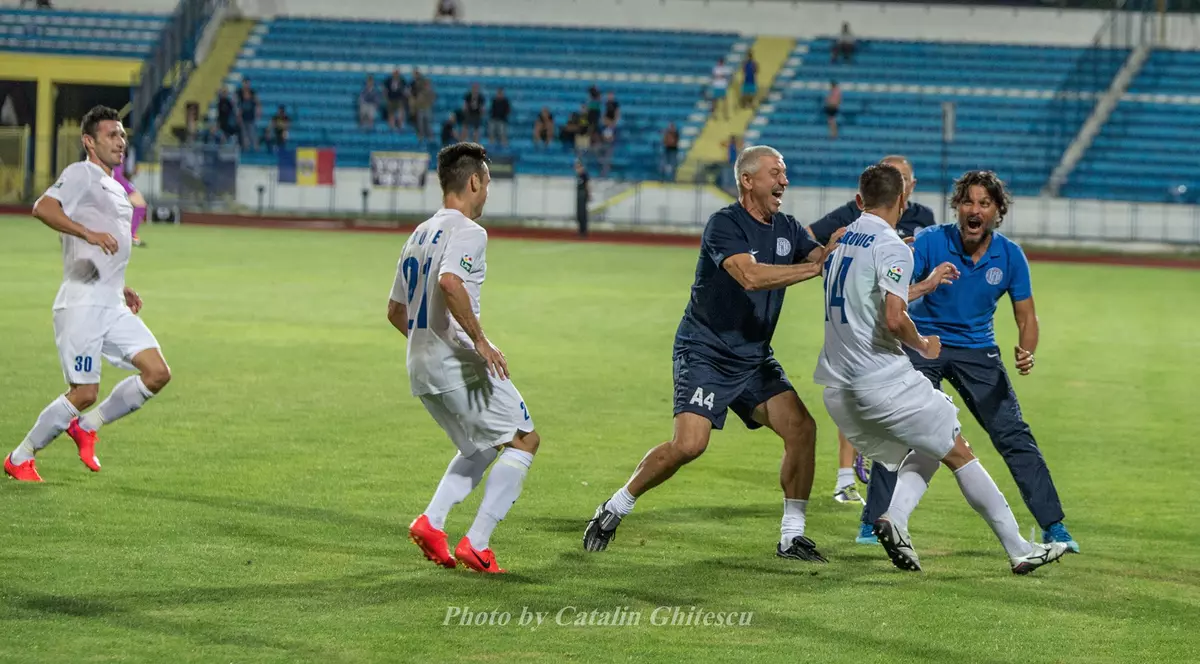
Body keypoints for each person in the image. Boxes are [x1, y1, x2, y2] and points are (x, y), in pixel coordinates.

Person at [583, 145, 842, 563]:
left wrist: (854, 249)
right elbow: (752, 277)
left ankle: (791, 537)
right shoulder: (725, 224)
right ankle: (615, 506)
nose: (784, 181)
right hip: (706, 351)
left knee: (802, 429)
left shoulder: (788, 228)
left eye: (785, 173)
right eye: (775, 173)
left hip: (753, 357)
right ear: (747, 180)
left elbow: (824, 258)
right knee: (689, 445)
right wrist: (816, 267)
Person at [814, 163, 1069, 575]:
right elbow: (895, 318)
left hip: (837, 385)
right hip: (880, 377)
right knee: (958, 448)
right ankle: (1020, 548)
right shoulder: (894, 244)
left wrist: (927, 285)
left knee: (933, 441)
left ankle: (892, 517)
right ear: (903, 200)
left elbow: (873, 300)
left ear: (859, 201)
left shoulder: (841, 243)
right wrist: (924, 343)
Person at [4, 106, 172, 482]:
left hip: (109, 300)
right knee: (83, 392)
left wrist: (119, 284)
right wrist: (88, 233)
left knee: (157, 372)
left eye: (123, 134)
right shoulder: (80, 173)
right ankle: (20, 456)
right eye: (112, 134)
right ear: (89, 142)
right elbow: (42, 208)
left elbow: (101, 248)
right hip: (81, 304)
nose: (121, 141)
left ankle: (87, 427)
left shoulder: (112, 184)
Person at [393, 142, 539, 574]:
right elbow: (451, 282)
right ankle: (476, 543)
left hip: (419, 364)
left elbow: (395, 312)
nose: (488, 192)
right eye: (488, 182)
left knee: (480, 449)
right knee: (523, 439)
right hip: (455, 361)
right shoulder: (470, 232)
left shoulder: (418, 233)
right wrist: (480, 341)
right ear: (474, 181)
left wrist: (429, 344)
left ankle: (431, 522)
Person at [808, 155, 936, 509]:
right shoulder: (859, 218)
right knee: (933, 429)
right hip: (874, 324)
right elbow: (808, 238)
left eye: (907, 177)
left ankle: (875, 486)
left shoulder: (923, 219)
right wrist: (820, 259)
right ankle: (852, 479)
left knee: (866, 399)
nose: (904, 184)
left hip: (902, 320)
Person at [112, 159, 147, 248]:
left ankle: (129, 235)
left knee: (138, 204)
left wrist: (132, 173)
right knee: (140, 204)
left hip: (117, 179)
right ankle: (129, 236)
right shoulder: (112, 148)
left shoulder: (120, 150)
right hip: (116, 180)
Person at [575, 160, 590, 238]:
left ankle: (584, 232)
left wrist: (588, 194)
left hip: (583, 194)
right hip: (579, 194)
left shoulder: (584, 174)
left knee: (583, 214)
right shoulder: (578, 175)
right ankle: (580, 230)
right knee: (579, 214)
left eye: (578, 167)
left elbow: (587, 185)